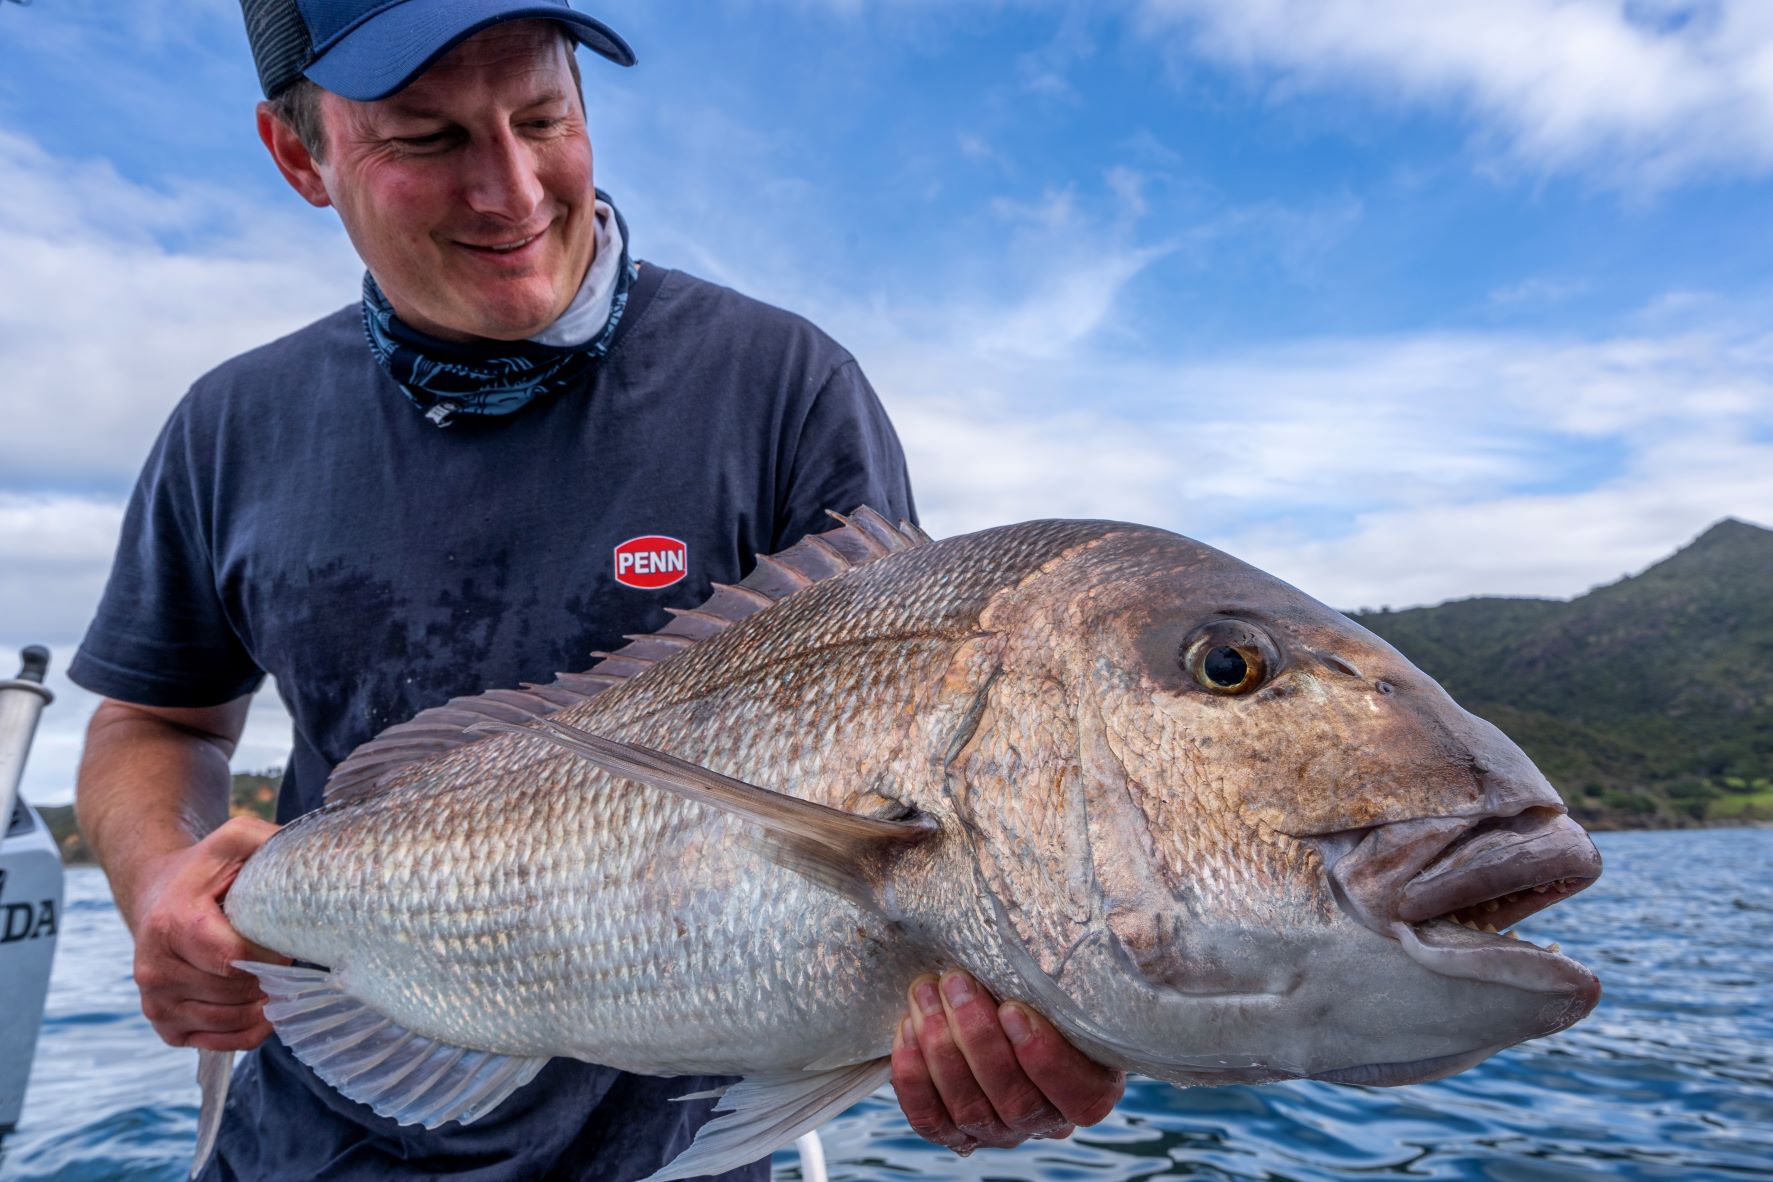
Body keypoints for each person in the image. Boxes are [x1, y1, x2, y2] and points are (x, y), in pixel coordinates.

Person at [70, 2, 1125, 1178]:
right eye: (426, 138)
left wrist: (1014, 1025)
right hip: (308, 1137)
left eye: (544, 117)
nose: (513, 190)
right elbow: (151, 720)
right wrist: (159, 875)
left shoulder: (784, 388)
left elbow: (908, 815)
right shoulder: (230, 428)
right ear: (298, 153)